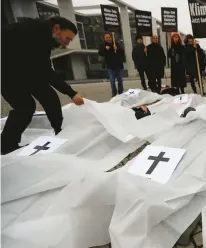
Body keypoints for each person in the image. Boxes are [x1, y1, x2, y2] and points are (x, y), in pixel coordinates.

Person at [1, 16, 84, 155]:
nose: (67, 43)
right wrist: (71, 93)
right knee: (25, 107)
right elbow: (46, 72)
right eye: (67, 38)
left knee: (47, 95)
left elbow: (42, 73)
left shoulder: (42, 36)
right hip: (6, 72)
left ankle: (59, 130)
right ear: (57, 29)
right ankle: (5, 146)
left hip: (20, 69)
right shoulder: (34, 35)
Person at [98, 32, 125, 97]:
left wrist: (117, 49)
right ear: (104, 39)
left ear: (111, 38)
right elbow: (100, 53)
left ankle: (121, 92)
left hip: (119, 66)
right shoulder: (103, 45)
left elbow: (122, 52)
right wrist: (105, 49)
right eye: (106, 38)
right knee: (112, 81)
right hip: (110, 66)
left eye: (109, 37)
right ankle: (114, 92)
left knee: (120, 80)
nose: (108, 39)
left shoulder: (116, 44)